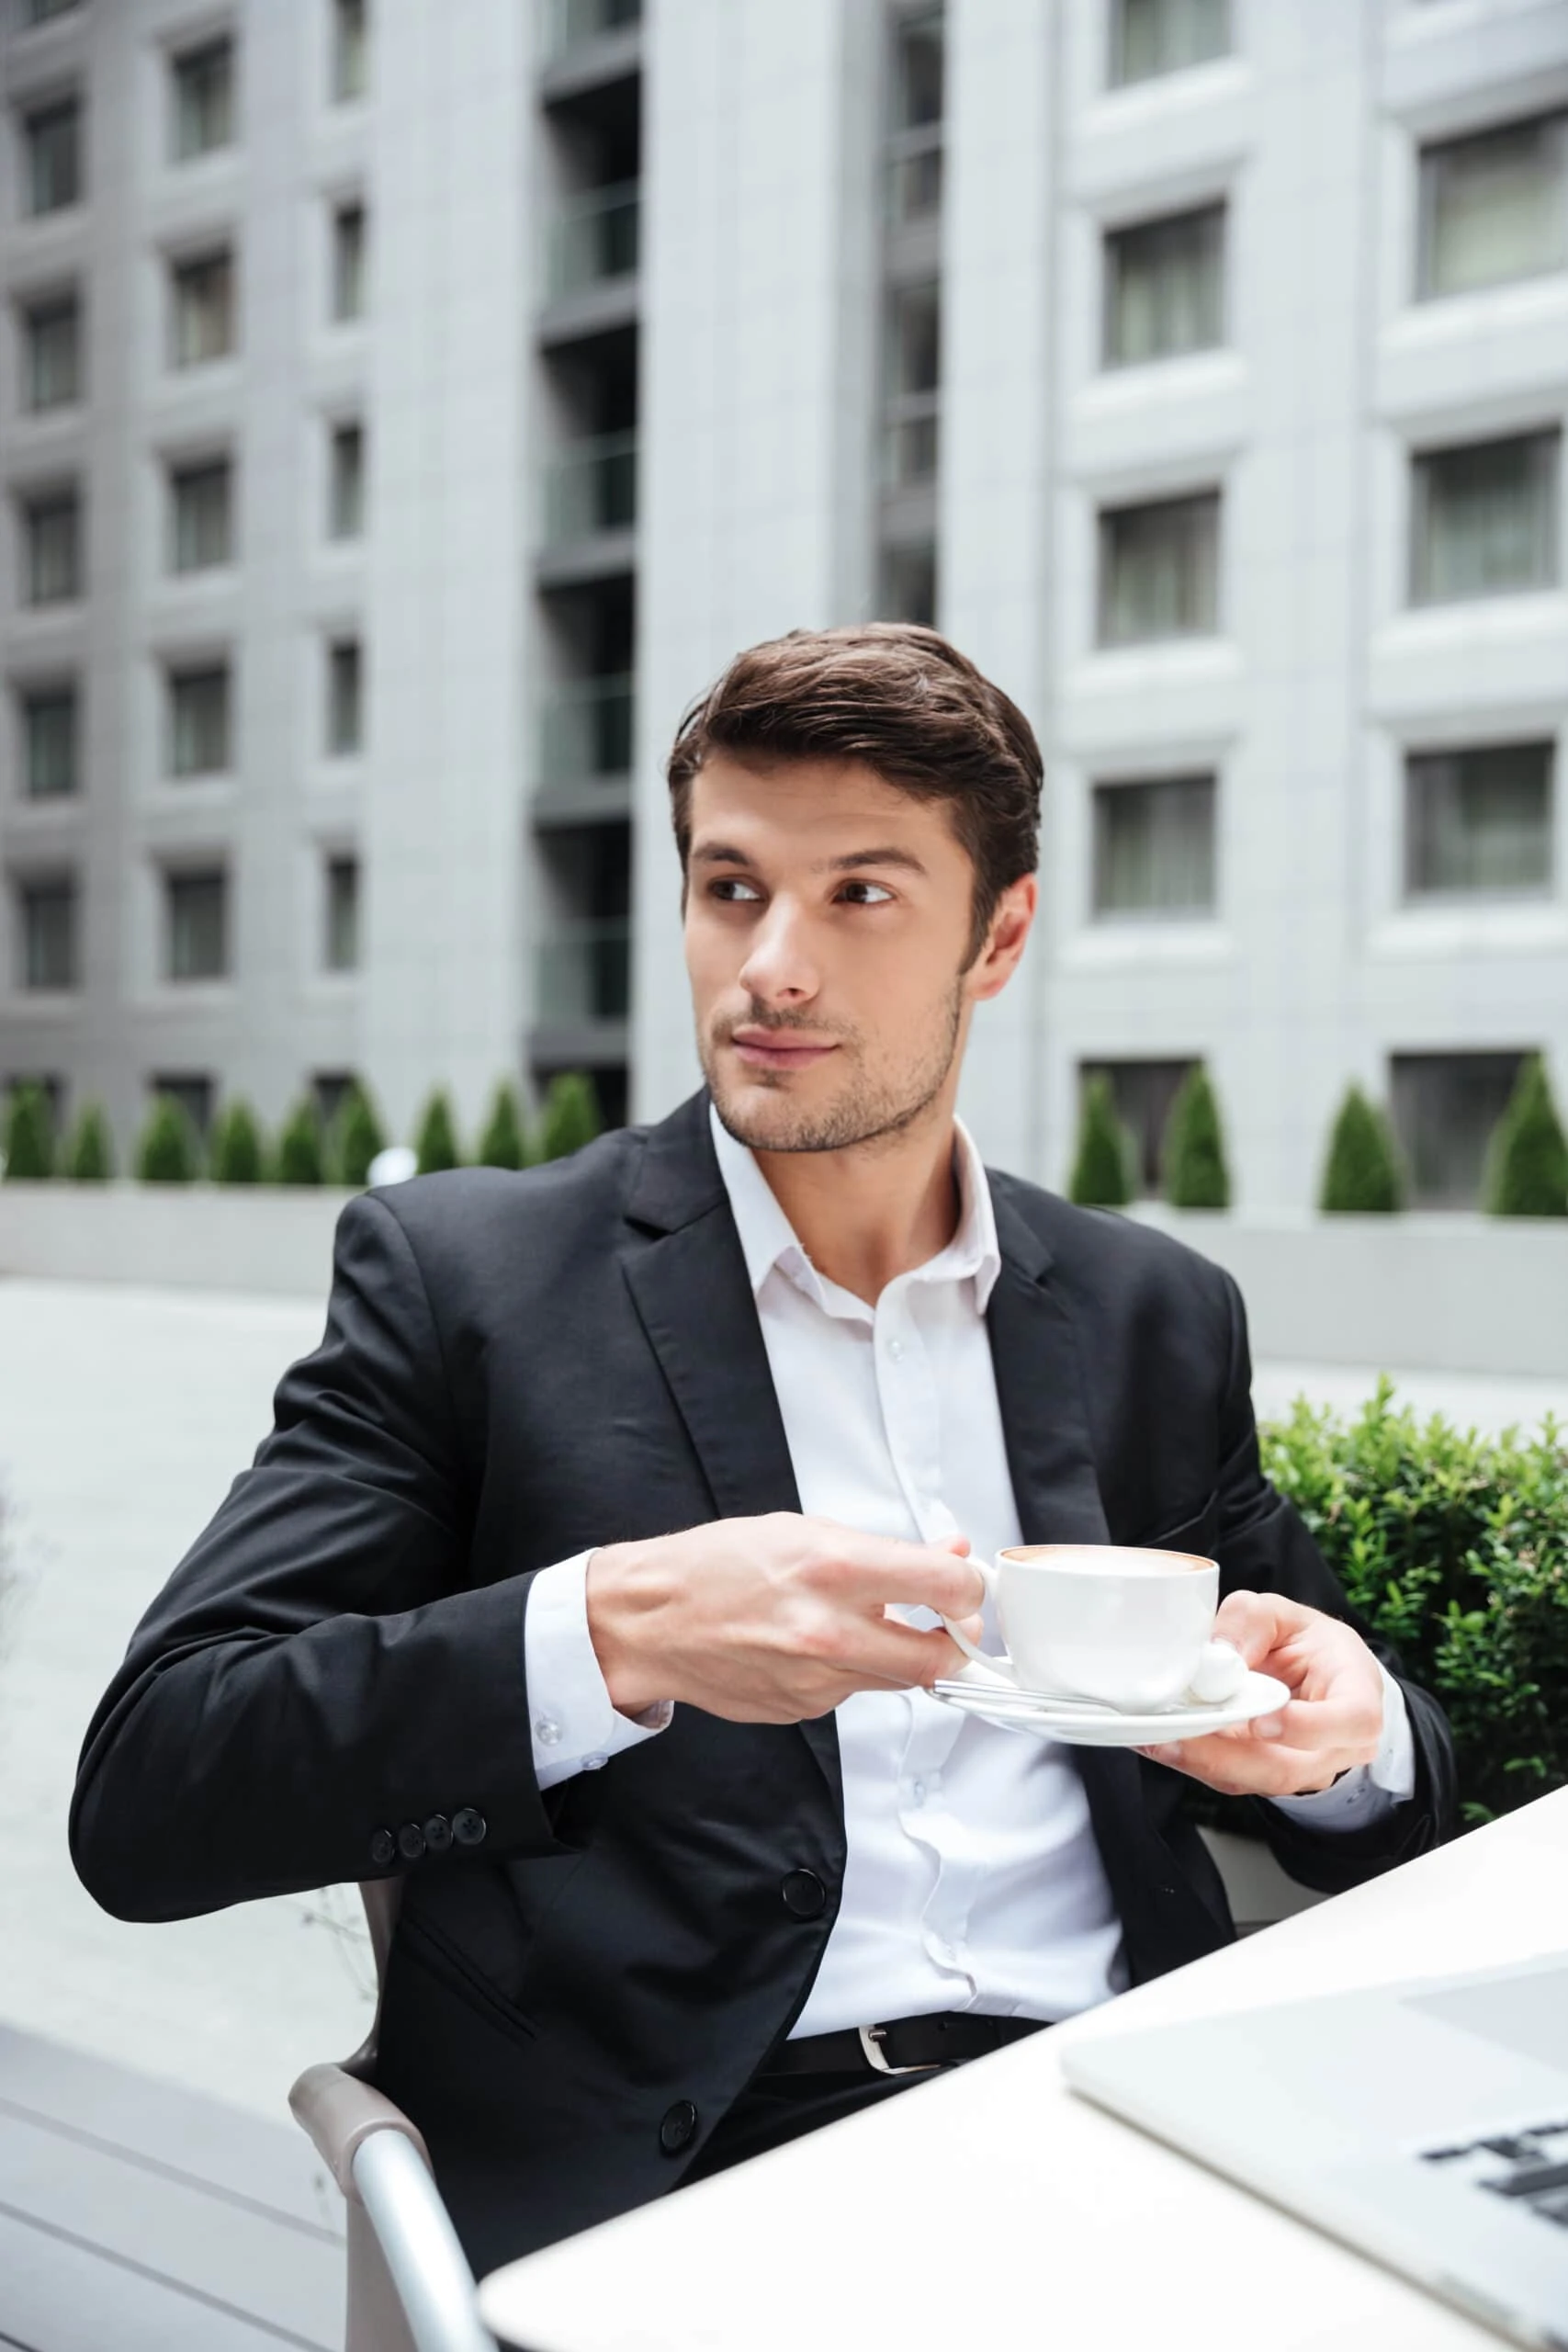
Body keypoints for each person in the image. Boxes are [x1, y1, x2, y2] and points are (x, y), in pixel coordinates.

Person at [72, 626, 1455, 2275]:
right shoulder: (471, 1280)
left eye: (858, 894)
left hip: (1119, 2133)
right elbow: (157, 1790)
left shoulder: (1151, 1309)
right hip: (700, 2172)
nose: (769, 967)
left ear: (997, 935)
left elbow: (1363, 1775)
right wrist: (614, 1636)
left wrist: (1348, 1735)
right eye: (730, 889)